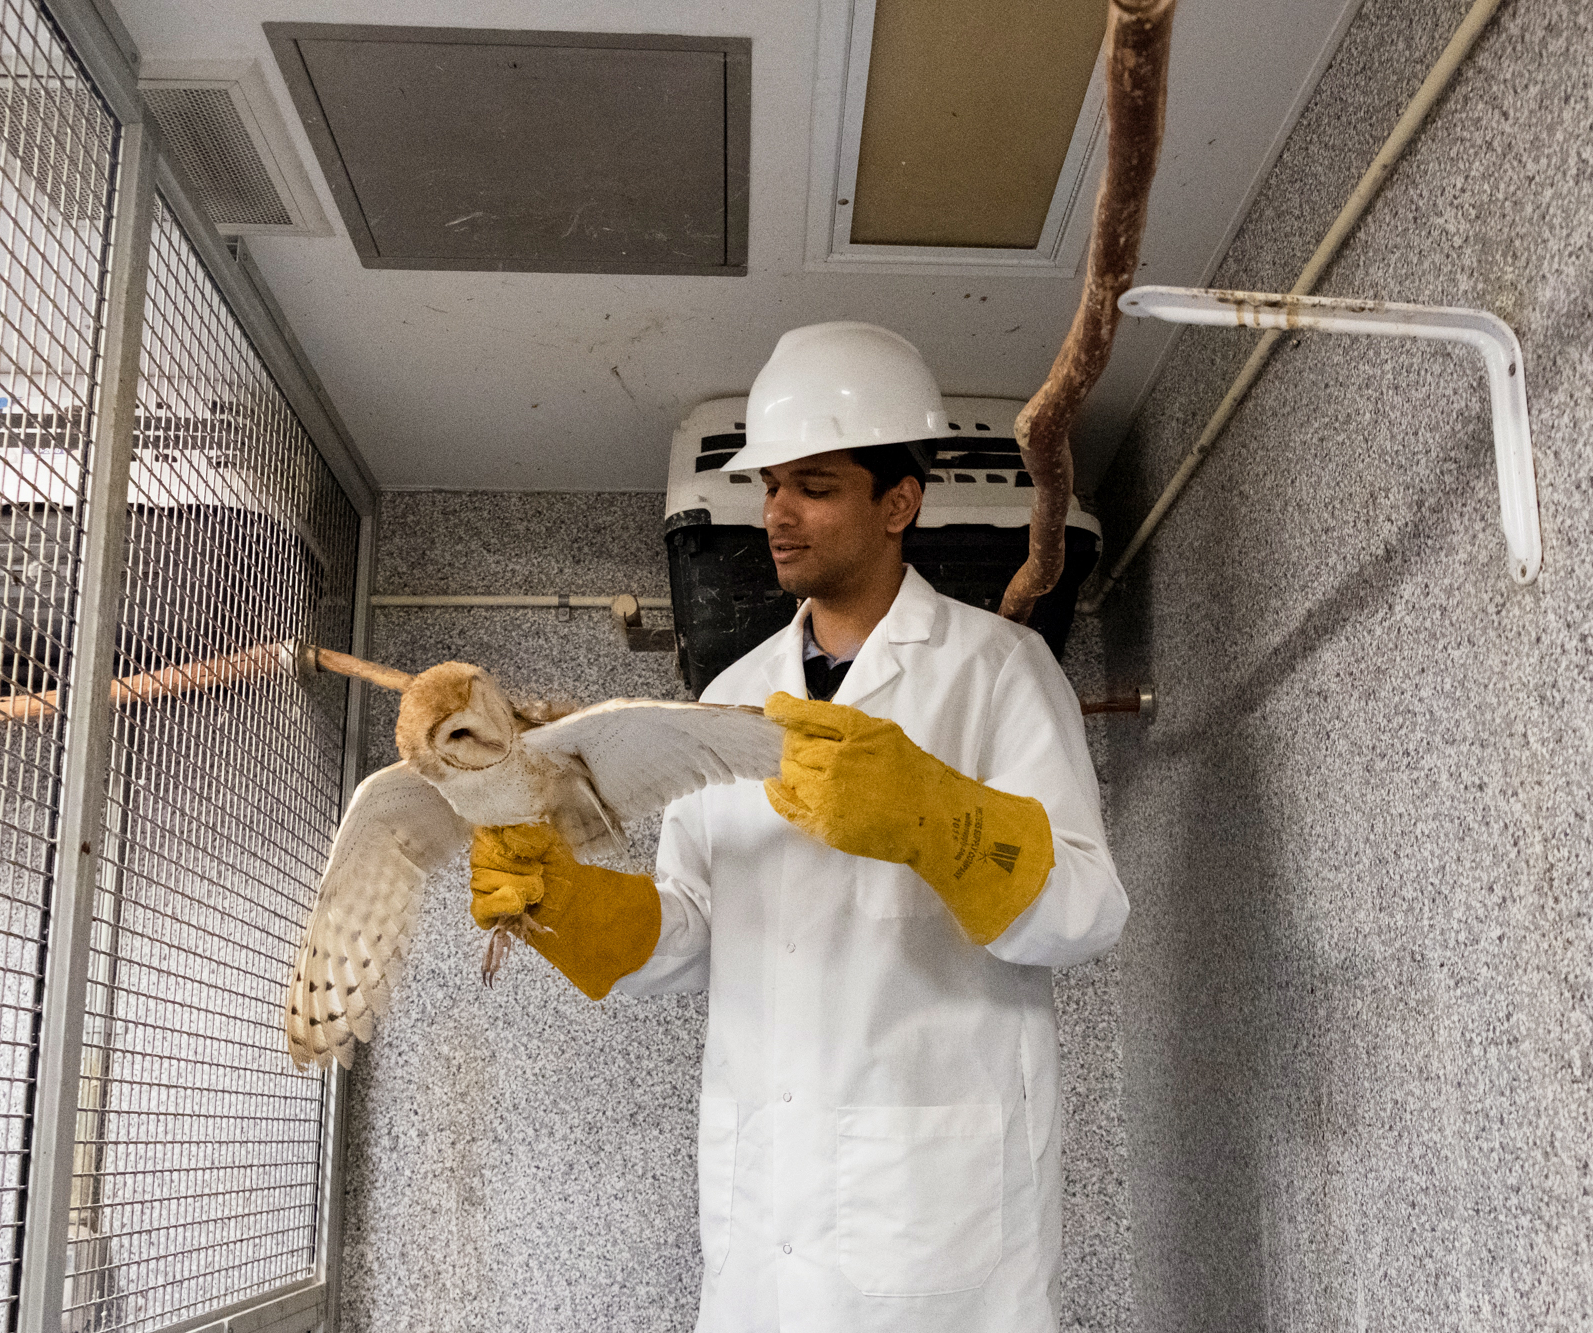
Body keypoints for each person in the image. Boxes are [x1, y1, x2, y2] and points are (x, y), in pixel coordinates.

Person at [468, 321, 1128, 1332]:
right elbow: (693, 924)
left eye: (813, 485)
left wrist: (933, 819)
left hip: (933, 1214)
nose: (775, 513)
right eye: (769, 485)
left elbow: (1085, 909)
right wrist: (569, 906)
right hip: (763, 1226)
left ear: (897, 502)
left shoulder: (995, 669)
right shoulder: (729, 699)